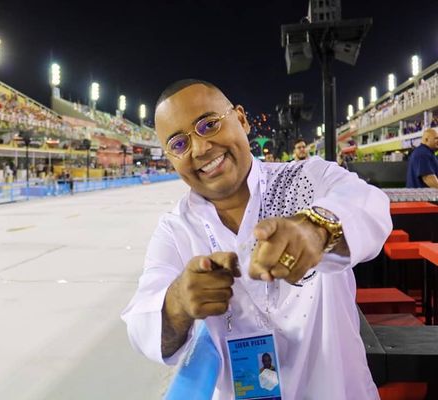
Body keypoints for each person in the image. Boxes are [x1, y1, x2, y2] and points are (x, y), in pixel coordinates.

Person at [121, 79, 391, 400]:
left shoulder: (306, 181)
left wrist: (316, 229)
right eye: (179, 144)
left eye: (209, 125)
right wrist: (178, 301)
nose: (200, 149)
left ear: (242, 119)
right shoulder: (177, 230)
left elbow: (369, 206)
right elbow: (142, 326)